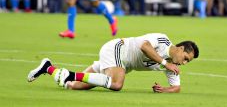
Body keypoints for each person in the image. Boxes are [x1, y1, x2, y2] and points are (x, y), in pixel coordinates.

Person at [27, 33, 199, 93]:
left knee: (73, 86)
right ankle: (69, 73)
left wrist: (165, 90)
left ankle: (48, 68)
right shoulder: (163, 40)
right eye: (185, 58)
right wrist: (164, 62)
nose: (184, 63)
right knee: (117, 84)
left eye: (187, 62)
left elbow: (177, 88)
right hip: (117, 49)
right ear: (180, 48)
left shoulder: (171, 66)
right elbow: (144, 46)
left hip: (120, 65)